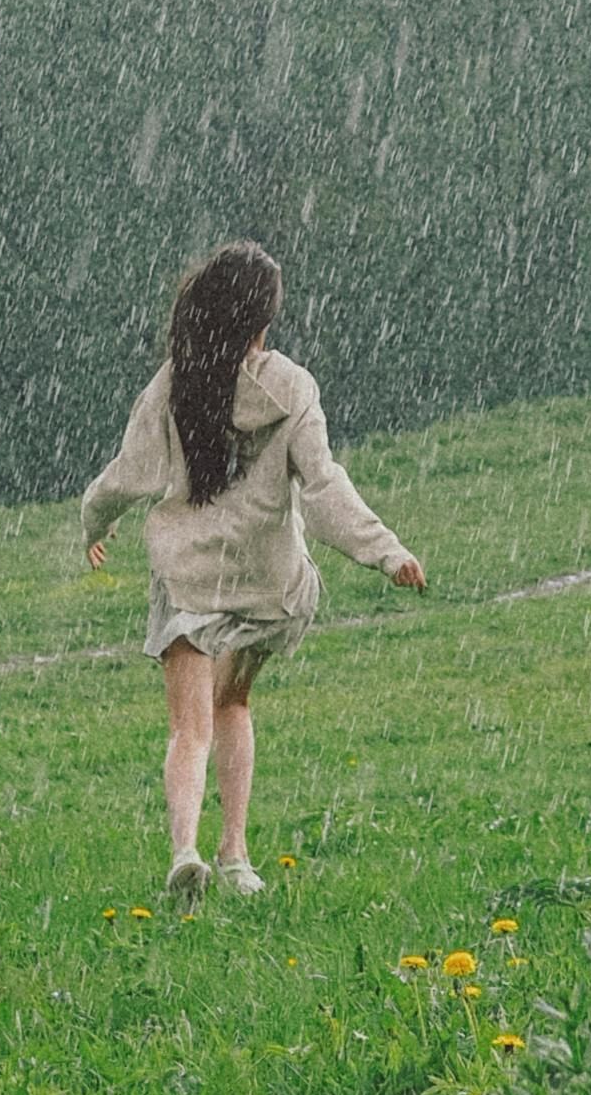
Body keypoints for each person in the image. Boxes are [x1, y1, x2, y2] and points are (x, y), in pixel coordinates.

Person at [80, 240, 426, 902]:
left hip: (189, 576)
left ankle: (185, 852)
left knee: (189, 728)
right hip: (266, 579)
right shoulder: (292, 387)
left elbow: (128, 475)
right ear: (263, 322)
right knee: (234, 704)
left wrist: (93, 524)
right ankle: (235, 856)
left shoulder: (174, 382)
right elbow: (324, 488)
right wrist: (386, 552)